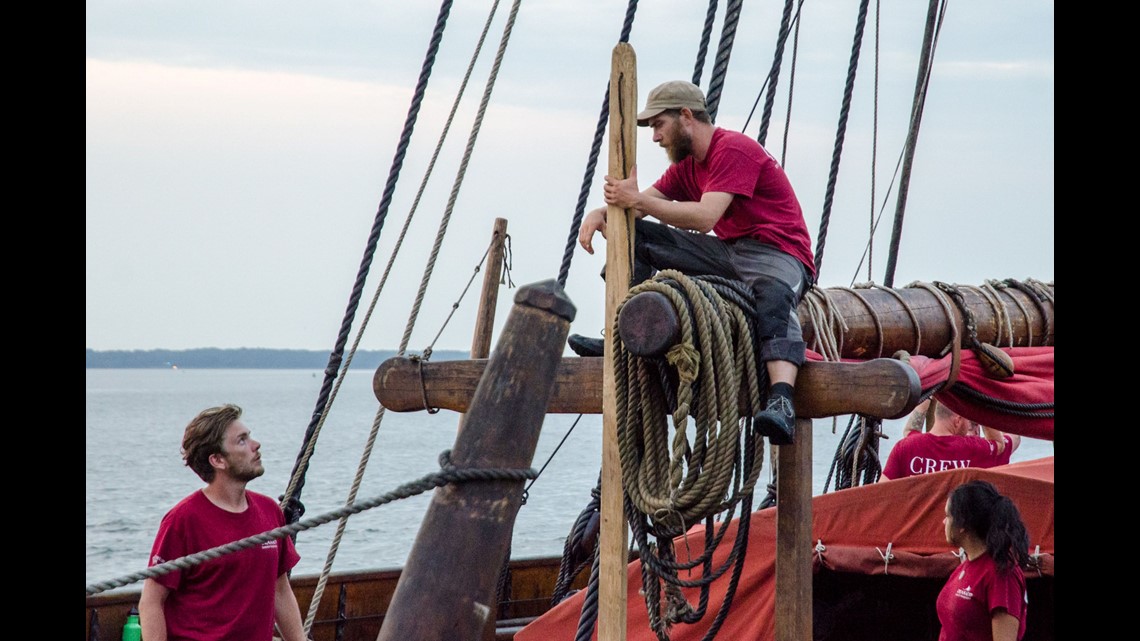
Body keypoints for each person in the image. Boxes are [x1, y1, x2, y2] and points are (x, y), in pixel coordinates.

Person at [570, 80, 816, 445]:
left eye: (658, 125)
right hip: (729, 252)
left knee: (773, 299)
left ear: (686, 116)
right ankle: (624, 334)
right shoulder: (687, 167)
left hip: (779, 255)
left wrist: (634, 200)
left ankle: (781, 400)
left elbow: (704, 217)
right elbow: (638, 205)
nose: (655, 137)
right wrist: (601, 212)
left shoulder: (733, 149)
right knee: (637, 237)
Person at [139, 404, 307, 641]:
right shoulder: (183, 520)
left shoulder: (270, 511)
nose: (255, 445)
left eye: (250, 436)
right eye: (242, 441)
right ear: (218, 460)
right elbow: (152, 601)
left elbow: (280, 590)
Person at [938, 480, 1030, 641]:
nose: (944, 522)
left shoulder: (1002, 575)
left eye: (948, 516)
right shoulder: (965, 567)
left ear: (962, 524)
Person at [882, 400, 1021, 480]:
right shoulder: (976, 449)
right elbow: (1003, 442)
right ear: (958, 420)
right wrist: (980, 404)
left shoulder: (907, 447)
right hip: (960, 528)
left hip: (919, 528)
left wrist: (928, 398)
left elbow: (880, 491)